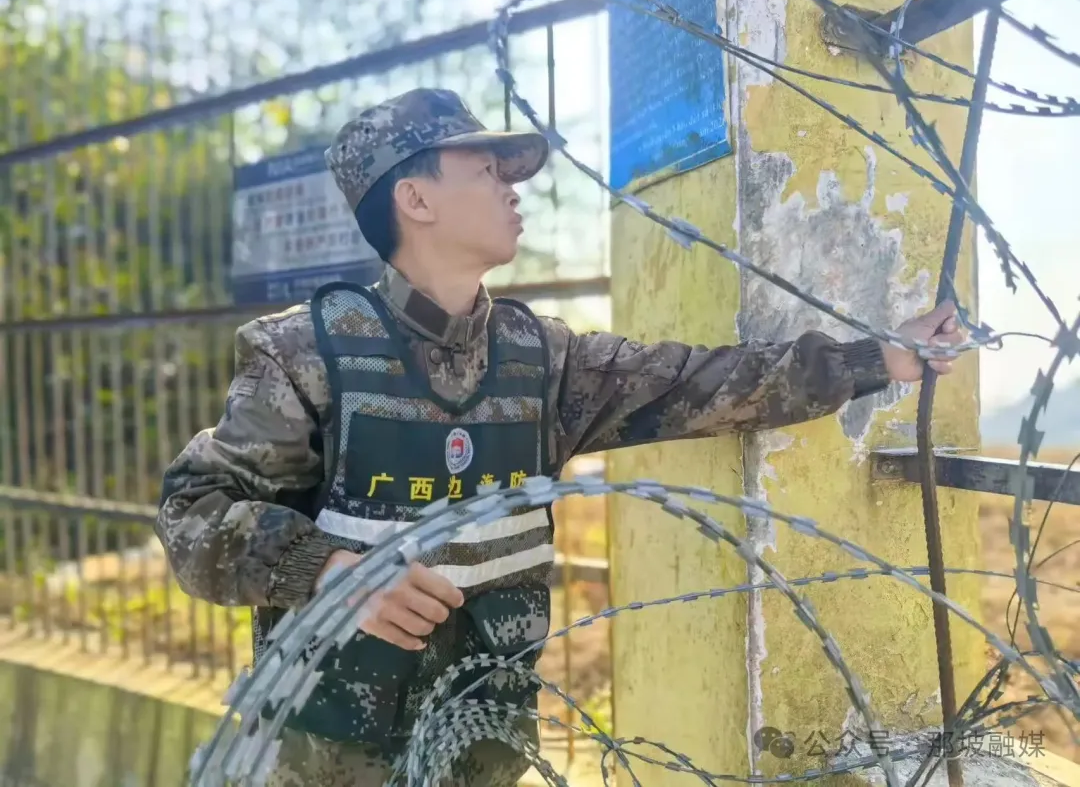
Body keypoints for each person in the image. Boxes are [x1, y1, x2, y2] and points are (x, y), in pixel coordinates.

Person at [155, 87, 962, 786]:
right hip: (324, 759)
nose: (514, 190)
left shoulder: (540, 359)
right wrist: (331, 572)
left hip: (480, 753)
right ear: (416, 198)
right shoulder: (307, 352)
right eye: (487, 170)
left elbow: (700, 382)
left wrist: (877, 359)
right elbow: (193, 510)